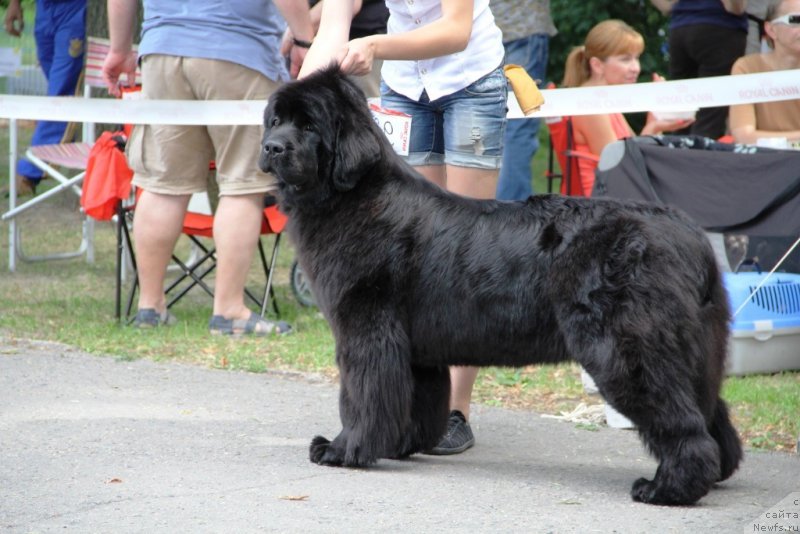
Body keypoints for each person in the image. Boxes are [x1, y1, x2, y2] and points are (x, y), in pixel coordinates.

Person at [299, 0, 507, 455]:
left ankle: (457, 410)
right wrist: (300, 98)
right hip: (405, 87)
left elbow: (455, 31)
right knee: (414, 260)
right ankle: (413, 413)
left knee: (465, 252)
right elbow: (333, 26)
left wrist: (375, 43)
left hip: (470, 81)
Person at [102, 0, 312, 335]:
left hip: (162, 51)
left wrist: (119, 48)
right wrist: (304, 40)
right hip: (238, 50)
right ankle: (228, 311)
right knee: (242, 184)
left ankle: (150, 307)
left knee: (162, 184)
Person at [561, 19, 692, 196]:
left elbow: (633, 153)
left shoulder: (604, 99)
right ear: (597, 65)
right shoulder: (591, 106)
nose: (635, 68)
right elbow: (622, 166)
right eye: (625, 59)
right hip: (603, 205)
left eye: (637, 58)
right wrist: (653, 126)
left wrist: (656, 118)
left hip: (618, 195)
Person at [4, 0, 86, 196]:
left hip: (74, 8)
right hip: (44, 9)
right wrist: (15, 4)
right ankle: (63, 134)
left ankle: (29, 173)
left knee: (60, 92)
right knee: (55, 89)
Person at [649, 0, 749, 139]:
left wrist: (678, 7)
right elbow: (736, 7)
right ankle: (699, 157)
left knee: (682, 113)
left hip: (680, 26)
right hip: (719, 25)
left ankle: (678, 155)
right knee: (711, 114)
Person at [493, 0, 557, 201]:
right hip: (522, 28)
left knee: (483, 122)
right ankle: (510, 211)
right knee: (518, 126)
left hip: (478, 30)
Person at [283, 0, 389, 99]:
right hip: (338, 45)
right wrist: (303, 94)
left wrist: (373, 47)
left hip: (366, 40)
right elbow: (331, 30)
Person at [729, 0, 800, 145]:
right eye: (795, 20)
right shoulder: (748, 68)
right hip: (767, 162)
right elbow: (744, 137)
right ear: (771, 29)